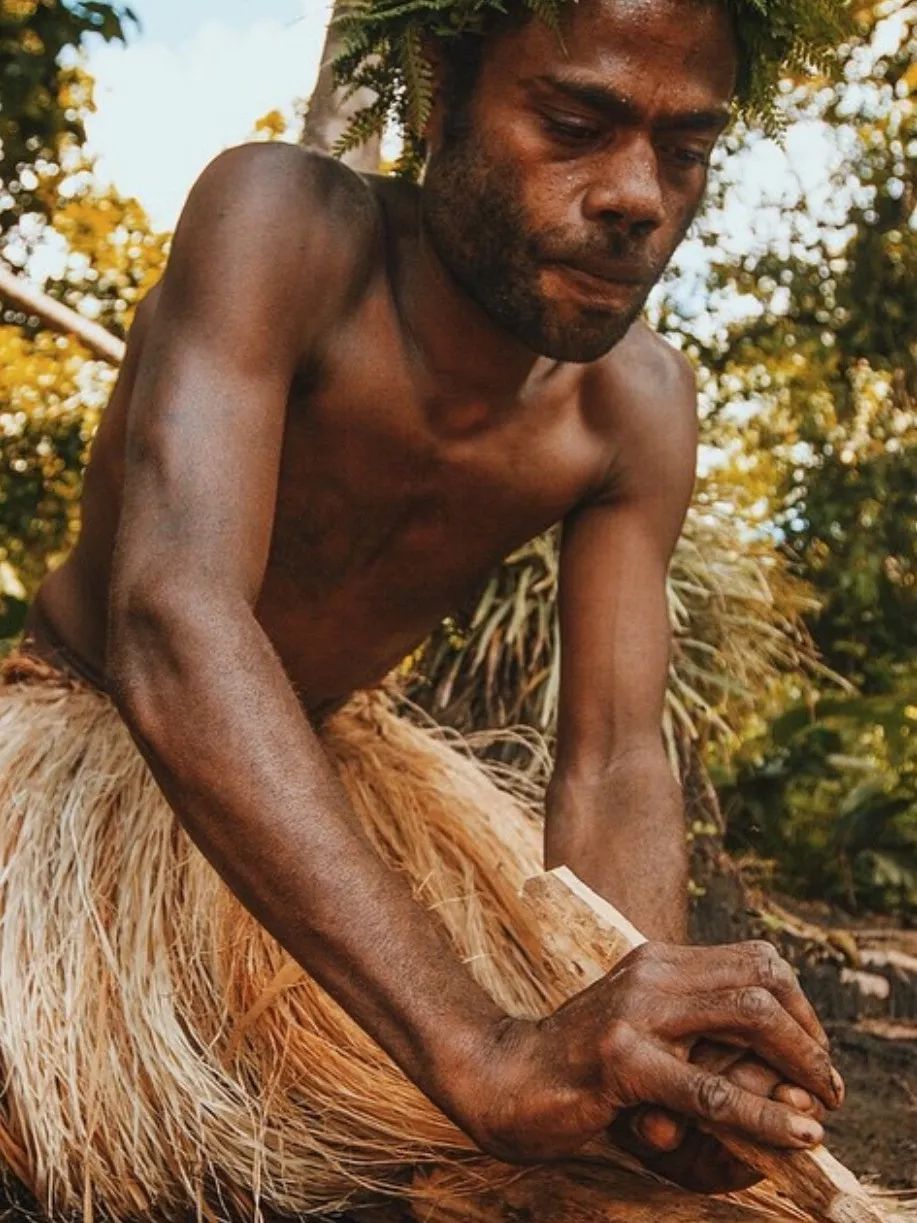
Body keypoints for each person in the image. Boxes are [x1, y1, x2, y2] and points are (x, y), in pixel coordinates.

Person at [0, 0, 847, 1217]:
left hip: (337, 774)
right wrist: (479, 1048)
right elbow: (174, 617)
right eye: (573, 123)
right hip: (92, 751)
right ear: (439, 88)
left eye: (684, 148)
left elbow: (610, 760)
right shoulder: (282, 226)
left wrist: (651, 1043)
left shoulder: (639, 404)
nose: (635, 196)